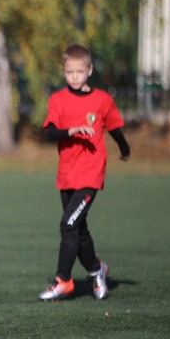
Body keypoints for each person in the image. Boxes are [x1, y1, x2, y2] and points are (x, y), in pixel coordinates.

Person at [39, 44, 131, 301]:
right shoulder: (58, 100)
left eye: (80, 71)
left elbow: (114, 129)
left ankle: (63, 281)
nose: (75, 77)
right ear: (63, 72)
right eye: (70, 72)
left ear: (90, 70)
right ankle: (96, 270)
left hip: (91, 174)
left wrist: (125, 149)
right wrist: (74, 130)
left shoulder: (102, 100)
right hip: (67, 174)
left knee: (68, 224)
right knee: (78, 231)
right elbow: (50, 132)